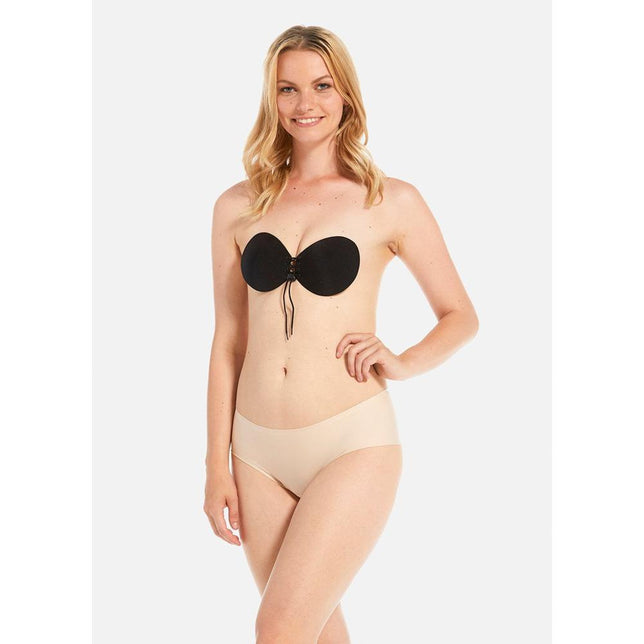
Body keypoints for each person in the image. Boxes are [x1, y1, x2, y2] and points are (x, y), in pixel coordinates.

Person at [203, 24, 479, 644]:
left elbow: (460, 314)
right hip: (255, 451)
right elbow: (227, 343)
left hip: (350, 444)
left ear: (346, 94)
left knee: (279, 628)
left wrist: (403, 360)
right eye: (288, 88)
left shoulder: (389, 201)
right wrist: (216, 465)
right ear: (271, 99)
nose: (305, 103)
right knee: (315, 633)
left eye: (322, 86)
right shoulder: (236, 206)